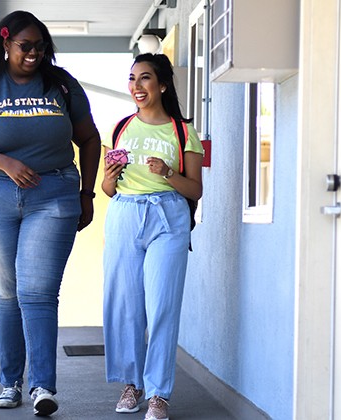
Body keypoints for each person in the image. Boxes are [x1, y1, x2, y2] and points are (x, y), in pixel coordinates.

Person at [0, 10, 101, 416]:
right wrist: (4, 163)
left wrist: (87, 193)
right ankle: (10, 382)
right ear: (5, 44)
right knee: (7, 292)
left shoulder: (62, 85)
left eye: (40, 46)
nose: (34, 53)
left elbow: (89, 138)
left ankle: (42, 387)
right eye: (25, 46)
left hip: (53, 195)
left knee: (37, 292)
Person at [101, 53, 203, 420]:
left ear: (161, 85)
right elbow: (108, 188)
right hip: (125, 213)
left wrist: (168, 173)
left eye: (144, 79)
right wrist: (110, 178)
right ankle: (132, 384)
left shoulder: (182, 132)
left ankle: (159, 393)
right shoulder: (121, 127)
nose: (136, 86)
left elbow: (194, 190)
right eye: (132, 79)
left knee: (161, 306)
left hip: (168, 217)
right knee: (126, 305)